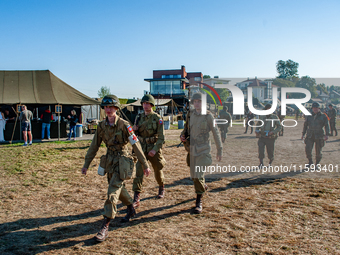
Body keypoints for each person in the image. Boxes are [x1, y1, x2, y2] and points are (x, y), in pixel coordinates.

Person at [81, 95, 151, 242]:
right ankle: (131, 208)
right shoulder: (101, 126)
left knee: (112, 192)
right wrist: (86, 164)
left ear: (117, 108)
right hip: (110, 161)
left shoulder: (125, 125)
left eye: (111, 107)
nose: (108, 109)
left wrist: (145, 164)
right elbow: (94, 146)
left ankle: (105, 226)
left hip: (123, 161)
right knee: (119, 190)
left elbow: (136, 145)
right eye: (106, 107)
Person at [180, 92, 223, 214]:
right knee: (194, 176)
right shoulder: (190, 114)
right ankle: (202, 186)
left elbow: (216, 133)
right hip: (192, 149)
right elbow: (186, 129)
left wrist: (219, 149)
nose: (197, 104)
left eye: (199, 101)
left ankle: (199, 201)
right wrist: (182, 136)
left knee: (197, 174)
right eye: (195, 101)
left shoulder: (209, 116)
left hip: (203, 149)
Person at [132, 94, 166, 208]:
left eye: (148, 104)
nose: (145, 106)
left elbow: (161, 138)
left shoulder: (157, 118)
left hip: (153, 148)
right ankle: (136, 197)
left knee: (158, 169)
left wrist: (155, 149)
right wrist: (134, 130)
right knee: (138, 171)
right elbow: (134, 135)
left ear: (152, 105)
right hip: (142, 148)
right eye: (144, 103)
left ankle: (161, 186)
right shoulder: (138, 118)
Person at [301, 102, 330, 168]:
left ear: (319, 108)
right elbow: (305, 125)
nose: (315, 109)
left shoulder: (323, 116)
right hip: (310, 135)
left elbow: (326, 125)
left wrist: (327, 134)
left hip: (319, 135)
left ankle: (316, 164)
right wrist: (303, 134)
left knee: (318, 151)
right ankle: (310, 162)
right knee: (307, 149)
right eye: (314, 108)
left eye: (316, 108)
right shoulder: (309, 116)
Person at [255, 104, 282, 169]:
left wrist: (273, 132)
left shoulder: (274, 117)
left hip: (271, 137)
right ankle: (261, 163)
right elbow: (258, 124)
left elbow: (279, 127)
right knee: (260, 150)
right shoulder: (262, 116)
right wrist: (257, 130)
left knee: (270, 151)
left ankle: (270, 162)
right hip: (262, 136)